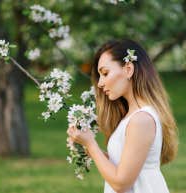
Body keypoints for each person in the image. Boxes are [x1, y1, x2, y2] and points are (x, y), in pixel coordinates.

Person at [67, 39, 178, 193]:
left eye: (105, 73)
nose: (100, 83)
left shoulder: (141, 120)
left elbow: (121, 184)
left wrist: (92, 145)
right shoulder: (131, 117)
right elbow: (124, 167)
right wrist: (87, 146)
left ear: (128, 69)